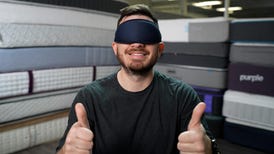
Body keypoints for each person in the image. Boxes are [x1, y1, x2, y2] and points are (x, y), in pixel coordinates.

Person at [56, 4, 219, 154]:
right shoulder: (89, 98)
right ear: (115, 47)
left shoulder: (182, 96)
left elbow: (207, 147)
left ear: (160, 48)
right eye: (127, 34)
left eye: (147, 33)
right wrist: (68, 150)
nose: (137, 42)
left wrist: (206, 148)